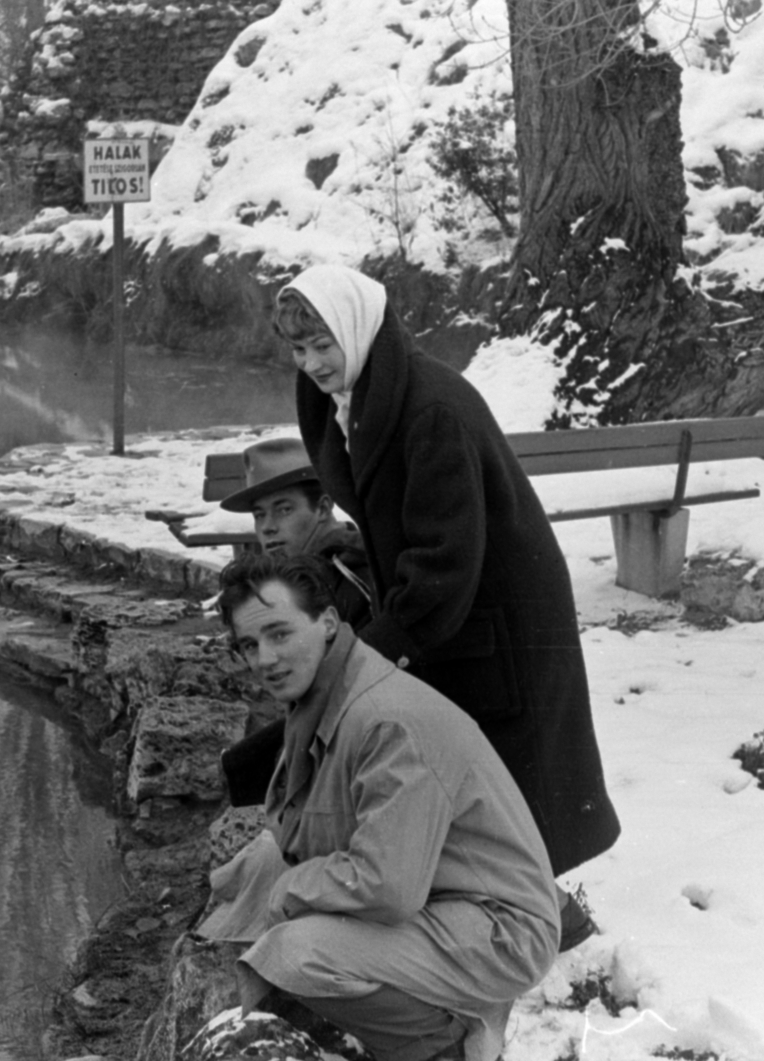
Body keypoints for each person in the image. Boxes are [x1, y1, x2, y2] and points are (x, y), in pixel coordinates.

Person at [274, 263, 621, 949]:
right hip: (457, 604)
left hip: (497, 612)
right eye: (299, 349)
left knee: (501, 772)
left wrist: (362, 659)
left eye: (323, 344)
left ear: (356, 329)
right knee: (467, 772)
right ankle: (534, 912)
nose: (311, 363)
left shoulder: (430, 409)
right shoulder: (357, 394)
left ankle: (539, 926)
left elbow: (442, 559)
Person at [196, 552, 559, 1061]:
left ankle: (444, 1043)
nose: (265, 660)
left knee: (296, 953)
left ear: (327, 622)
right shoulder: (326, 693)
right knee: (260, 867)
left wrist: (291, 891)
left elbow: (388, 887)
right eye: (249, 645)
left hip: (499, 930)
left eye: (279, 634)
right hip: (439, 892)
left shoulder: (387, 720)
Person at [217, 436, 374, 806]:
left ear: (323, 507)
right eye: (259, 515)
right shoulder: (297, 575)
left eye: (283, 510)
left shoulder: (350, 572)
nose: (268, 527)